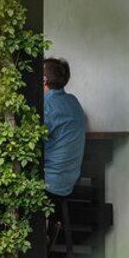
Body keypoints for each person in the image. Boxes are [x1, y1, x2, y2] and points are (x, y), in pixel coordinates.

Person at [43, 58, 86, 198]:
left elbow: (31, 139)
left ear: (44, 80)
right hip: (68, 181)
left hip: (49, 182)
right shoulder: (73, 101)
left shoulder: (47, 104)